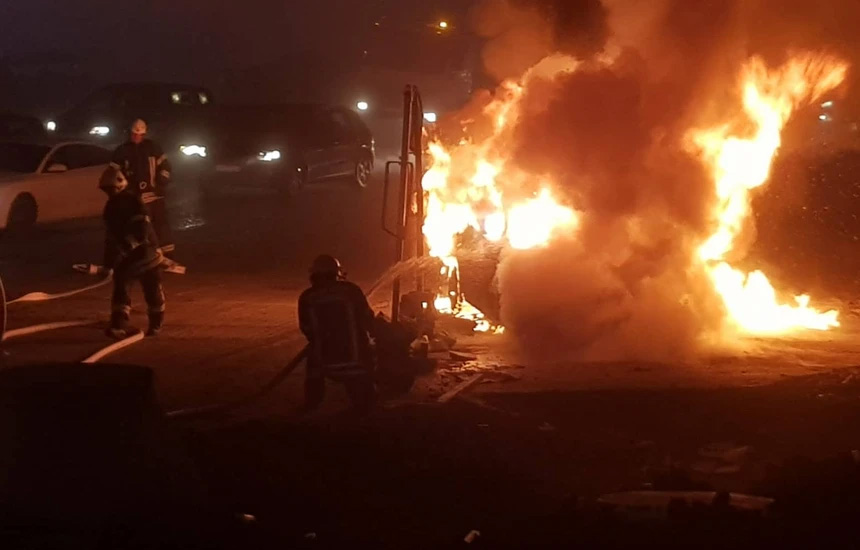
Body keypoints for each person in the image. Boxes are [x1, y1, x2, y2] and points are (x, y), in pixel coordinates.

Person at [298, 254, 377, 412]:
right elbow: (367, 319)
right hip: (355, 362)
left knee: (313, 357)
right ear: (337, 273)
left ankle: (311, 403)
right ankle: (365, 400)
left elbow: (306, 328)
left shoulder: (307, 297)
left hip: (323, 362)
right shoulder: (351, 290)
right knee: (366, 399)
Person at [98, 166, 166, 339]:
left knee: (144, 287)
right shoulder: (113, 206)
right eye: (106, 190)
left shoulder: (131, 202)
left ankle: (129, 325)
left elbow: (141, 230)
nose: (109, 193)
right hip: (136, 255)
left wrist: (126, 249)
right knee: (127, 284)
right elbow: (111, 239)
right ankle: (125, 324)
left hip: (146, 253)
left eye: (111, 189)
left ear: (120, 185)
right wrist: (108, 264)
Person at [109, 119, 175, 257]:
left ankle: (168, 255)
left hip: (154, 194)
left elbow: (165, 166)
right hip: (134, 197)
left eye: (139, 135)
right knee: (140, 227)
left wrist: (162, 181)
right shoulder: (122, 151)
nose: (136, 137)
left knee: (160, 225)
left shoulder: (153, 148)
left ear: (144, 134)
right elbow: (113, 172)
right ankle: (146, 255)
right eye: (134, 134)